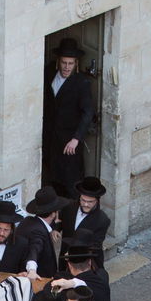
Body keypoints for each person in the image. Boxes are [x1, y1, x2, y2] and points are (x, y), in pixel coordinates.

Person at [42, 37, 95, 196]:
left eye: (70, 64)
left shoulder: (81, 83)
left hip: (69, 141)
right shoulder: (49, 73)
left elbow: (88, 112)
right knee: (51, 178)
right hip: (51, 138)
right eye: (64, 63)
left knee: (71, 181)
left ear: (76, 64)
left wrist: (76, 138)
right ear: (58, 62)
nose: (66, 67)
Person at [59, 176, 111, 262]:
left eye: (90, 202)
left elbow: (95, 245)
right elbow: (61, 220)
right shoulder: (69, 207)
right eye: (83, 200)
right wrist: (55, 229)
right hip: (64, 258)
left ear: (97, 201)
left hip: (85, 262)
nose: (86, 204)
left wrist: (73, 254)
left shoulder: (102, 220)